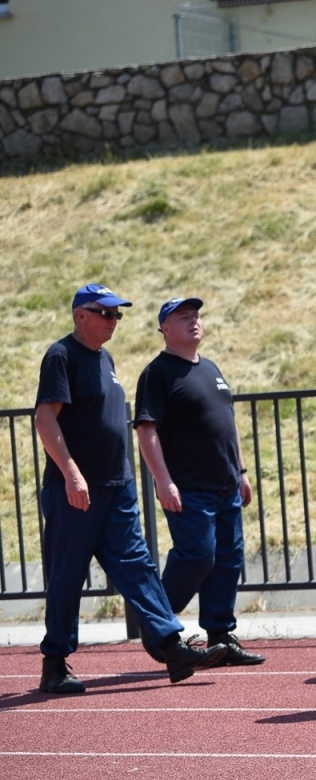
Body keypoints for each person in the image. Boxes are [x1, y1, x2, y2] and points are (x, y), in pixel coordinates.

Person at [35, 284, 224, 694]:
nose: (113, 321)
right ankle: (55, 662)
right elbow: (45, 420)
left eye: (117, 314)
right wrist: (70, 472)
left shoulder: (106, 358)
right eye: (105, 313)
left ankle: (171, 647)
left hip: (116, 486)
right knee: (67, 576)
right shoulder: (61, 355)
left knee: (138, 568)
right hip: (76, 489)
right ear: (80, 315)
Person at [134, 297, 264, 666]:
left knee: (227, 559)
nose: (194, 321)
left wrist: (241, 472)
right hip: (189, 486)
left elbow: (228, 423)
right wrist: (163, 480)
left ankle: (221, 636)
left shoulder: (211, 368)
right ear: (165, 328)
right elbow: (147, 431)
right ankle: (157, 622)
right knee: (197, 555)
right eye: (183, 317)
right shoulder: (157, 373)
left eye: (196, 315)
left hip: (226, 485)